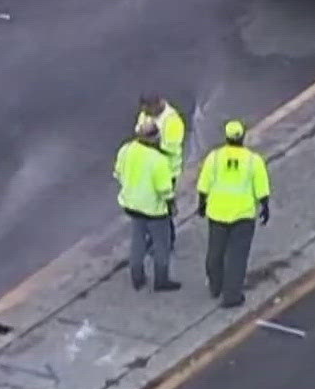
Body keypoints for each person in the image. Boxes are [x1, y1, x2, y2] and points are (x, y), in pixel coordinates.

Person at [195, 120, 271, 307]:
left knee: (215, 253)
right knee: (237, 257)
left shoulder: (214, 157)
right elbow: (262, 188)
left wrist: (202, 205)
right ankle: (232, 296)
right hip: (243, 215)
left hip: (217, 213)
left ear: (226, 137)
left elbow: (204, 185)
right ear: (243, 136)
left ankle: (215, 286)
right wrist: (265, 207)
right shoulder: (254, 160)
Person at [115, 118, 180, 291]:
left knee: (137, 240)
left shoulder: (126, 150)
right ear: (155, 137)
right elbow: (164, 188)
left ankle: (137, 277)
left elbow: (118, 173)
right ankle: (161, 280)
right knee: (161, 244)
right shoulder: (158, 159)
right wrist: (171, 204)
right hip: (154, 209)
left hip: (131, 204)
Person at [136, 94, 188, 183]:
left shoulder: (173, 121)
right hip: (148, 170)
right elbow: (138, 130)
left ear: (157, 105)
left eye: (148, 110)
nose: (145, 113)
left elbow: (171, 149)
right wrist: (142, 132)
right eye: (144, 110)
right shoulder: (146, 114)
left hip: (168, 172)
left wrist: (150, 139)